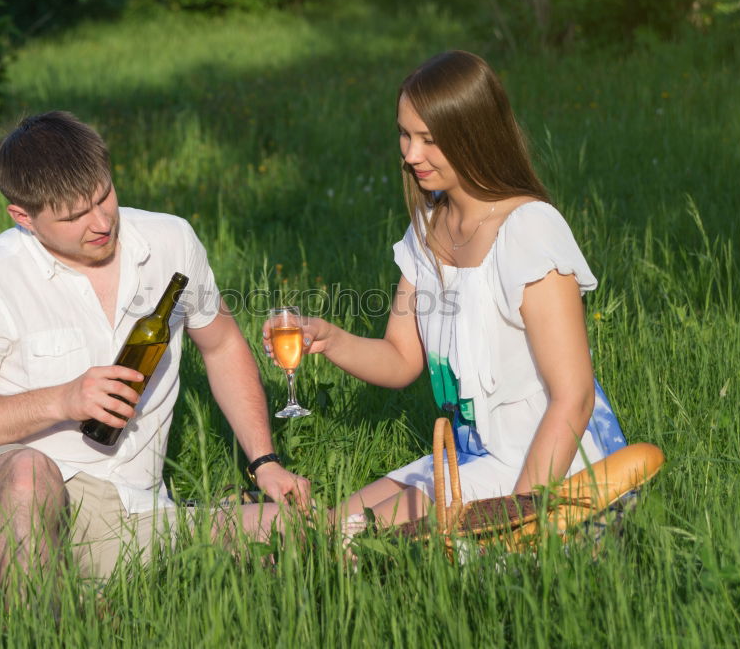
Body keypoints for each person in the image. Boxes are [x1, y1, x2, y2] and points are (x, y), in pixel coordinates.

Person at [0, 111, 310, 599]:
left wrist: (265, 461)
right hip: (5, 494)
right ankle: (42, 627)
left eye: (104, 195)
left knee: (299, 531)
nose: (102, 223)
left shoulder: (171, 242)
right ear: (23, 216)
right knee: (28, 476)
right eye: (73, 216)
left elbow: (223, 344)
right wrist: (62, 400)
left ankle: (54, 580)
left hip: (132, 507)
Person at [264, 50, 625, 530]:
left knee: (373, 545)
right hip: (473, 462)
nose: (410, 154)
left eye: (429, 139)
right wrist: (329, 340)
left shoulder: (529, 230)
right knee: (336, 529)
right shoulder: (428, 226)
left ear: (474, 136)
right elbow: (400, 358)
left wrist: (517, 515)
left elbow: (574, 396)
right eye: (405, 134)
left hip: (556, 470)